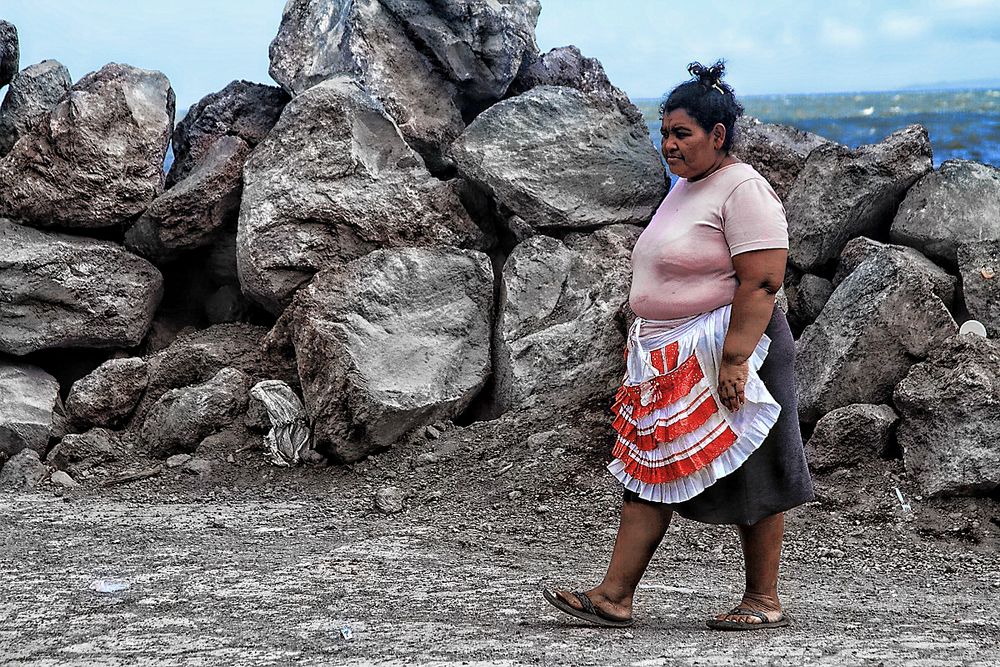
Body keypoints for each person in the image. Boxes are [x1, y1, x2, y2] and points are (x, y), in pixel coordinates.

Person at [543, 61, 814, 631]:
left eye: (681, 134)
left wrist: (736, 358)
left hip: (734, 347)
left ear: (717, 136)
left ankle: (763, 600)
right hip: (672, 353)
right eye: (664, 132)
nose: (668, 144)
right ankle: (614, 596)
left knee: (757, 470)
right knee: (652, 467)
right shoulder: (687, 188)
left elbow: (762, 279)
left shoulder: (743, 189)